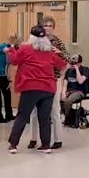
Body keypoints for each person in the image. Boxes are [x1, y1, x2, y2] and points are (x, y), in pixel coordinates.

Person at [7, 25, 66, 154]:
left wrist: (11, 49)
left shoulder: (25, 49)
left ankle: (13, 145)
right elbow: (62, 64)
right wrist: (58, 53)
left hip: (30, 87)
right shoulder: (49, 52)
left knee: (22, 115)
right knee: (44, 118)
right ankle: (46, 145)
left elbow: (13, 60)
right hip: (48, 89)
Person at [29, 16, 68, 150]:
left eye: (50, 25)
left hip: (53, 79)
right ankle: (33, 138)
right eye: (45, 25)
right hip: (38, 78)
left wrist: (59, 52)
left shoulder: (57, 41)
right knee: (34, 110)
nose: (48, 28)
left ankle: (58, 139)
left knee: (54, 109)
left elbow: (67, 59)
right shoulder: (36, 41)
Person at [62, 55, 89, 127]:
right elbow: (65, 84)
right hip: (69, 91)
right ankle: (71, 116)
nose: (72, 65)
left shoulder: (85, 70)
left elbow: (80, 81)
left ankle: (67, 119)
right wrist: (63, 93)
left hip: (79, 91)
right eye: (71, 63)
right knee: (60, 100)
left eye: (74, 63)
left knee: (68, 101)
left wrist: (77, 70)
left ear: (80, 63)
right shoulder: (68, 71)